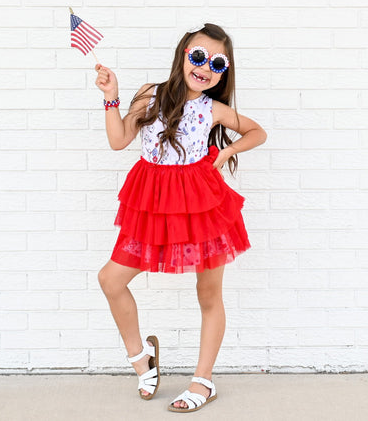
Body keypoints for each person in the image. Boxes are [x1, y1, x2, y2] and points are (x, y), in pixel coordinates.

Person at [94, 23, 267, 413]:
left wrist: (223, 154)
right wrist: (111, 98)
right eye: (199, 56)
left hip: (201, 205)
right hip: (152, 203)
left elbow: (258, 132)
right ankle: (142, 360)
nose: (206, 67)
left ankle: (202, 382)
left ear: (224, 72)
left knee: (208, 293)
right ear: (183, 55)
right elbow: (119, 139)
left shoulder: (214, 109)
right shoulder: (150, 96)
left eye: (217, 63)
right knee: (111, 278)